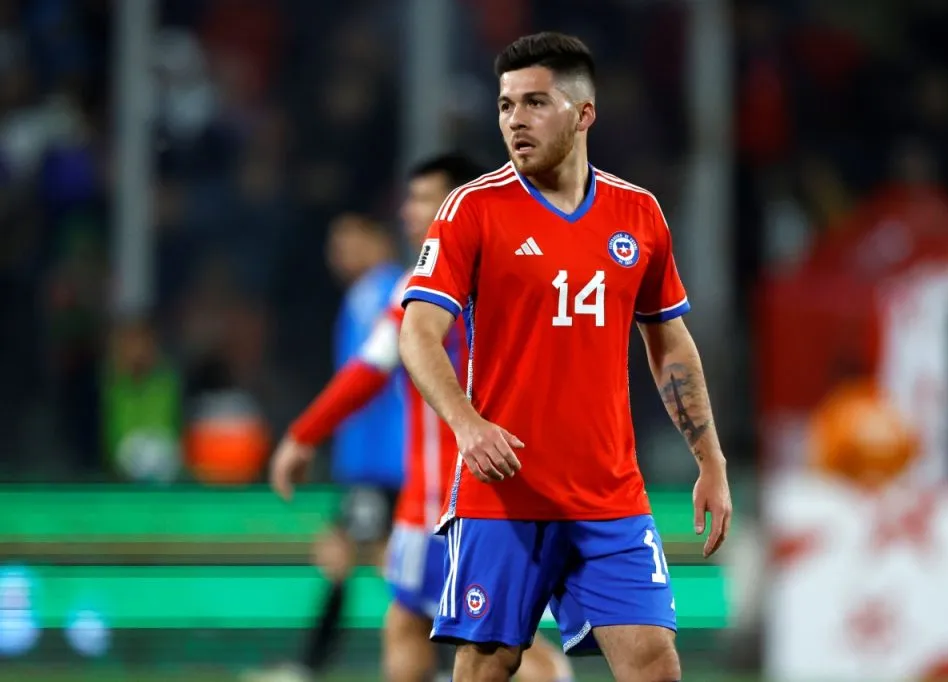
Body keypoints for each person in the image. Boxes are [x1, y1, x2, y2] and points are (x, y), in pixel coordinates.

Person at [396, 33, 734, 681]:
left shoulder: (638, 215)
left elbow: (668, 344)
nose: (514, 121)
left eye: (534, 103)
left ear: (584, 114)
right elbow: (418, 332)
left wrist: (710, 460)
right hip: (505, 495)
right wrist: (468, 424)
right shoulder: (473, 210)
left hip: (609, 496)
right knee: (488, 665)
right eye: (504, 105)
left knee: (656, 664)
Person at [270, 154, 573, 682]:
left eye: (423, 200)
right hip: (441, 499)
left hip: (454, 503)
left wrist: (303, 435)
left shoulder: (445, 282)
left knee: (492, 645)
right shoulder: (512, 270)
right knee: (409, 622)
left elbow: (371, 367)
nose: (409, 213)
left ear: (460, 205)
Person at [246, 214, 406, 682]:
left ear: (378, 239)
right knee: (363, 558)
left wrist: (308, 435)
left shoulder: (385, 294)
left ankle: (308, 667)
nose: (340, 252)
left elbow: (370, 379)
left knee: (360, 558)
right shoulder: (362, 297)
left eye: (351, 239)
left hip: (384, 463)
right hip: (370, 462)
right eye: (334, 243)